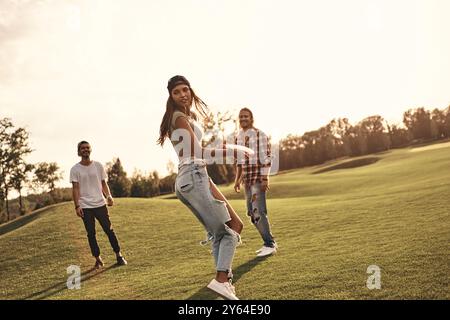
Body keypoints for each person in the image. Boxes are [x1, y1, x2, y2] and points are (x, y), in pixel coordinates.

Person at [157, 75, 244, 300]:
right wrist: (231, 151)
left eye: (185, 89)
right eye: (177, 92)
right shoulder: (178, 118)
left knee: (231, 226)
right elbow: (198, 152)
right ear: (171, 97)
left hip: (197, 175)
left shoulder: (186, 117)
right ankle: (221, 281)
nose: (183, 94)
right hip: (192, 175)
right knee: (228, 231)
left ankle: (224, 282)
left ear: (191, 91)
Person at [70, 141, 127, 269]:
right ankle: (98, 259)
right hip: (85, 206)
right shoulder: (75, 169)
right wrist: (77, 206)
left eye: (87, 148)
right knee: (91, 233)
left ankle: (119, 255)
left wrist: (109, 196)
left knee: (109, 230)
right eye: (82, 148)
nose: (85, 150)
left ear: (90, 150)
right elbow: (75, 189)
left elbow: (103, 183)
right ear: (79, 152)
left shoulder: (98, 166)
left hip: (100, 204)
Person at [234, 108, 277, 257]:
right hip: (247, 181)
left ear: (251, 118)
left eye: (246, 116)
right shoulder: (238, 137)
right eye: (241, 117)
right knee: (251, 213)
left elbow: (267, 158)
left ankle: (269, 244)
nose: (243, 119)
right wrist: (237, 180)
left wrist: (265, 178)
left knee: (259, 211)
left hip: (258, 179)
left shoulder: (260, 135)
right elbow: (239, 161)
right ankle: (268, 241)